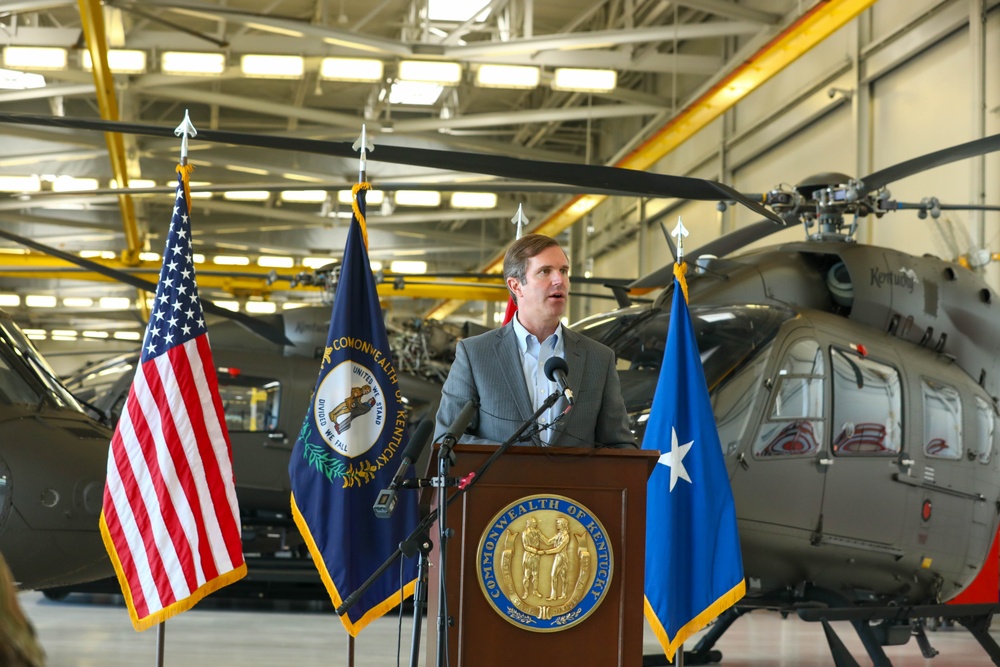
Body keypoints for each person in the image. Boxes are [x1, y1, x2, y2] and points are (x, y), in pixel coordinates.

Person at [434, 233, 635, 448]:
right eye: (545, 271)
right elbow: (446, 440)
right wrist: (520, 462)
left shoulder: (599, 358)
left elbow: (619, 445)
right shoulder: (475, 355)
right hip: (502, 482)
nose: (559, 280)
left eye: (564, 271)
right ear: (516, 285)